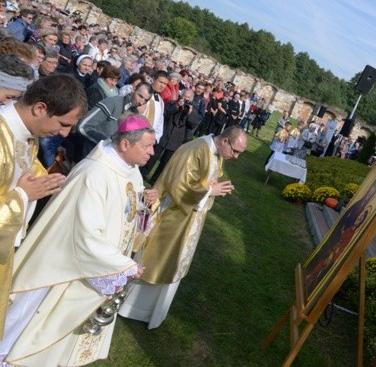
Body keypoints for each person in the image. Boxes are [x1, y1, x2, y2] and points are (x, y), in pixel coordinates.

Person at [0, 114, 158, 366]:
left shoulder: (131, 171)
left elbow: (124, 211)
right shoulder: (94, 173)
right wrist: (122, 266)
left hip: (90, 266)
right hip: (61, 269)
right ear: (125, 144)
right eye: (147, 146)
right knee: (29, 325)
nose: (152, 152)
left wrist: (144, 204)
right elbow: (84, 233)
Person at [119, 126, 247, 329]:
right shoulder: (195, 149)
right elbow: (178, 184)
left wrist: (211, 188)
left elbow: (207, 178)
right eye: (235, 151)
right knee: (157, 259)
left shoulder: (215, 153)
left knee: (174, 262)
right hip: (173, 215)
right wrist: (208, 191)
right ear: (224, 141)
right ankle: (131, 307)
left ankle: (152, 312)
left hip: (189, 219)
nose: (236, 156)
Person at [0, 73, 87, 340]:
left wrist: (45, 182)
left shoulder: (28, 134)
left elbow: (23, 170)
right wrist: (23, 197)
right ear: (40, 108)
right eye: (63, 124)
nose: (65, 133)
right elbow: (18, 188)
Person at [77, 82, 153, 157]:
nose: (141, 102)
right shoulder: (112, 103)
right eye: (140, 96)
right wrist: (106, 143)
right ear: (133, 89)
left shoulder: (135, 114)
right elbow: (83, 126)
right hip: (90, 154)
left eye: (146, 100)